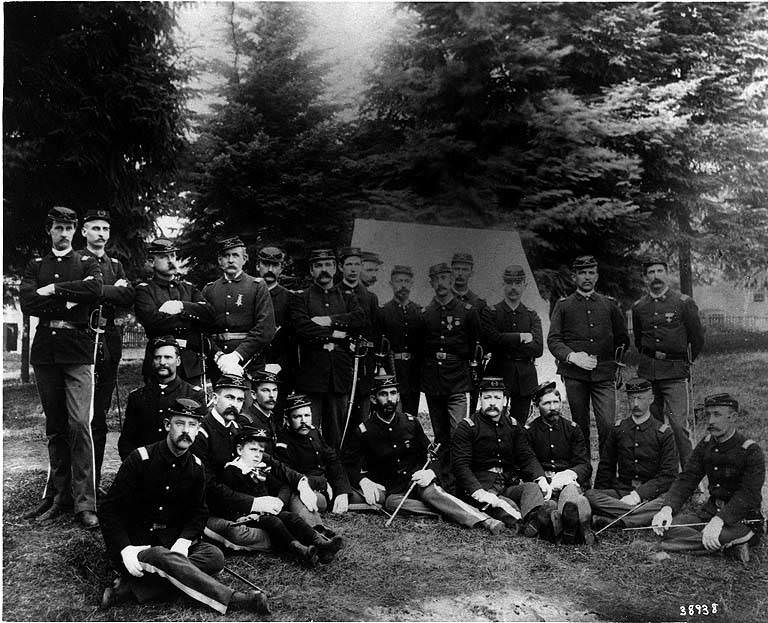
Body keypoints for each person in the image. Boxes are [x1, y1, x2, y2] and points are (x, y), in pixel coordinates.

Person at [98, 398, 269, 614]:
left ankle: (130, 590)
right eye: (180, 424)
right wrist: (125, 548)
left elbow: (199, 513)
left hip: (171, 542)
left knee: (214, 556)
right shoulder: (140, 459)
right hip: (137, 546)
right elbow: (109, 510)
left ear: (198, 429)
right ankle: (235, 599)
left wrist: (184, 540)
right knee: (161, 555)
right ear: (168, 425)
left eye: (192, 425)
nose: (186, 431)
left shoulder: (196, 467)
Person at [20, 206, 103, 528]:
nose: (64, 233)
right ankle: (57, 495)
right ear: (50, 230)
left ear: (75, 230)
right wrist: (71, 298)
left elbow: (94, 291)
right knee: (55, 427)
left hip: (77, 350)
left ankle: (85, 503)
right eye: (58, 228)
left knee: (80, 424)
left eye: (69, 228)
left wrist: (54, 290)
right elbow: (28, 303)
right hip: (46, 352)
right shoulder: (36, 264)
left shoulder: (86, 262)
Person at [344, 375, 505, 535]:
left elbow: (433, 455)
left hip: (418, 480)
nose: (389, 399)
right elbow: (348, 463)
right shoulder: (365, 430)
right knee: (392, 503)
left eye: (393, 393)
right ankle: (449, 511)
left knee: (430, 493)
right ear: (373, 399)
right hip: (393, 490)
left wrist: (430, 472)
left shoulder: (410, 422)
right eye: (383, 394)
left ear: (398, 396)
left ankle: (486, 521)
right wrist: (363, 481)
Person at [192, 374, 317, 553]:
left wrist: (300, 481)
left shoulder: (235, 427)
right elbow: (208, 485)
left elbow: (265, 458)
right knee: (239, 533)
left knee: (285, 491)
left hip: (239, 503)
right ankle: (297, 538)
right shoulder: (201, 433)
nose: (234, 404)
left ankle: (307, 536)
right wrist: (254, 503)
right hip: (213, 507)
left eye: (240, 399)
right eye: (229, 397)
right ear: (214, 398)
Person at [649, 393, 764, 559]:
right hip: (708, 513)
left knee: (717, 535)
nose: (710, 421)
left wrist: (720, 520)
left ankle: (735, 538)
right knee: (668, 527)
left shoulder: (750, 451)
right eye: (708, 414)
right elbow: (688, 478)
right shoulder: (706, 444)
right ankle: (729, 545)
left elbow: (748, 495)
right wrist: (667, 508)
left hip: (741, 518)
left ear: (733, 417)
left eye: (717, 415)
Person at [220, 427, 343, 567]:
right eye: (253, 450)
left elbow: (281, 485)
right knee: (275, 522)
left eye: (261, 451)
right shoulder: (232, 470)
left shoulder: (260, 469)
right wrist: (239, 516)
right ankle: (299, 550)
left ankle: (321, 543)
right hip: (248, 516)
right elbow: (228, 499)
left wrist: (279, 500)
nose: (257, 455)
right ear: (240, 450)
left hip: (266, 512)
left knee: (292, 517)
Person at [547, 255, 629, 456]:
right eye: (582, 273)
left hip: (604, 375)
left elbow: (623, 339)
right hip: (575, 376)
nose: (587, 277)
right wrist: (573, 357)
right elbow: (554, 340)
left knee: (608, 426)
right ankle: (581, 475)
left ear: (597, 276)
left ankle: (606, 478)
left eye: (591, 272)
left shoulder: (609, 305)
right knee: (579, 427)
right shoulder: (563, 305)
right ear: (574, 277)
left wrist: (616, 364)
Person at [452, 377, 550, 537]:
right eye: (487, 397)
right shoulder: (468, 426)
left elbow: (526, 456)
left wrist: (541, 478)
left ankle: (536, 520)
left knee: (532, 488)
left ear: (505, 400)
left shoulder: (512, 425)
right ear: (480, 400)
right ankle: (537, 522)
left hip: (506, 483)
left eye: (497, 397)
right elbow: (460, 466)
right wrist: (477, 491)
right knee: (507, 506)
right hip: (482, 488)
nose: (492, 402)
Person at [632, 257, 706, 468]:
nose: (656, 276)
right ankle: (658, 475)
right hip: (648, 374)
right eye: (651, 272)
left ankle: (691, 481)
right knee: (650, 425)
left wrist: (685, 362)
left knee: (678, 426)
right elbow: (639, 340)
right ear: (646, 278)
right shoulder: (639, 307)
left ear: (667, 274)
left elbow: (697, 338)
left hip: (674, 373)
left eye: (659, 271)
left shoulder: (683, 302)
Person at [79, 209, 134, 491]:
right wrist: (111, 290)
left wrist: (97, 290)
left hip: (109, 341)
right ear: (84, 231)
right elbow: (78, 293)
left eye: (105, 229)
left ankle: (95, 481)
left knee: (99, 414)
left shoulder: (116, 264)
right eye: (95, 228)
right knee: (82, 415)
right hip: (82, 339)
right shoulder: (77, 260)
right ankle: (78, 485)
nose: (101, 234)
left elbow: (128, 296)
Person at [289, 248, 365, 448]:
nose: (324, 270)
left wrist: (327, 320)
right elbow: (301, 327)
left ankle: (337, 472)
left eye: (328, 265)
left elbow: (358, 320)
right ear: (312, 270)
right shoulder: (301, 298)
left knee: (337, 431)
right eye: (319, 266)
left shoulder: (347, 297)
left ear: (335, 268)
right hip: (311, 375)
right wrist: (335, 334)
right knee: (307, 428)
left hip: (338, 375)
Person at [419, 262, 482, 486]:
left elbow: (476, 345)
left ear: (450, 279)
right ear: (431, 283)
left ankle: (464, 481)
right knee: (440, 435)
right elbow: (421, 349)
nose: (441, 283)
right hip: (434, 381)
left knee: (460, 433)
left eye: (445, 278)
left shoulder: (467, 311)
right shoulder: (425, 314)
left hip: (459, 380)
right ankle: (446, 482)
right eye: (436, 279)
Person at [586, 378, 679, 530]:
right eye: (631, 398)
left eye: (640, 398)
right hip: (622, 491)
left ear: (651, 399)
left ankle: (618, 520)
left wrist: (638, 495)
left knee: (665, 502)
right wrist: (600, 494)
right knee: (590, 496)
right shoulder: (618, 428)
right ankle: (639, 517)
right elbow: (606, 466)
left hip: (651, 495)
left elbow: (668, 475)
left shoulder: (664, 432)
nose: (635, 404)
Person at [274, 392, 349, 560]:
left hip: (321, 495)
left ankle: (319, 540)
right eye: (297, 416)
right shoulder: (283, 443)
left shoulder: (314, 433)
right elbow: (289, 476)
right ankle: (321, 539)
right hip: (304, 492)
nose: (303, 421)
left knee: (301, 498)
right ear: (287, 419)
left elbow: (333, 460)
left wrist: (342, 491)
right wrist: (321, 482)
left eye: (307, 415)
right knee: (298, 495)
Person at [134, 238, 213, 386]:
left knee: (193, 405)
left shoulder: (188, 288)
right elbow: (153, 322)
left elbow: (209, 313)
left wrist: (181, 306)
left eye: (173, 256)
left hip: (190, 364)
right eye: (164, 257)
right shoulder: (144, 290)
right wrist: (191, 317)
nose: (171, 261)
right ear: (151, 262)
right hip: (159, 362)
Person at [525, 381, 594, 545]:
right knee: (546, 503)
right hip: (544, 484)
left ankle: (561, 525)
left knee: (570, 497)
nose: (553, 407)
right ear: (536, 406)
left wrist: (568, 475)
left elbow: (584, 464)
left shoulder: (572, 429)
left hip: (566, 482)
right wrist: (540, 478)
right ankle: (571, 528)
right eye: (546, 403)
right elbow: (527, 460)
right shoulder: (529, 431)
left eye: (556, 402)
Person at [202, 236, 276, 380]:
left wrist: (237, 355)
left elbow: (265, 329)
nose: (230, 260)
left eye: (235, 255)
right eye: (226, 256)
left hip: (249, 363)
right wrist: (219, 357)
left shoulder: (256, 286)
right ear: (219, 260)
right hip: (218, 365)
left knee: (247, 401)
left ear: (245, 258)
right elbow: (203, 331)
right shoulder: (209, 290)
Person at [118, 336, 204, 460]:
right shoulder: (138, 397)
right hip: (147, 466)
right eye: (158, 357)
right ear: (152, 361)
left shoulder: (194, 395)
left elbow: (199, 441)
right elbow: (127, 441)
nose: (162, 362)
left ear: (178, 361)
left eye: (168, 357)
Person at [482, 264, 543, 423]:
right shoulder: (492, 312)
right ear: (503, 284)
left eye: (518, 283)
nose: (513, 287)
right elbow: (491, 341)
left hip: (525, 377)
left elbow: (537, 349)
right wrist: (521, 337)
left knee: (520, 425)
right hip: (498, 372)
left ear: (525, 285)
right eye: (509, 283)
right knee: (493, 421)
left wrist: (504, 341)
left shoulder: (531, 315)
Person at [338, 246, 379, 425]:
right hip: (342, 359)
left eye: (357, 264)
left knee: (363, 415)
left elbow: (376, 332)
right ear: (341, 267)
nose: (353, 269)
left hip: (364, 363)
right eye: (349, 264)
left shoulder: (370, 298)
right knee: (341, 414)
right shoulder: (334, 293)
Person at [376, 264, 423, 417]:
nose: (403, 285)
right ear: (391, 284)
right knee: (392, 410)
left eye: (406, 281)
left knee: (411, 412)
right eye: (398, 281)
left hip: (413, 370)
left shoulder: (418, 311)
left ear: (412, 284)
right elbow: (379, 344)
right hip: (392, 368)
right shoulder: (383, 312)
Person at [255, 245, 295, 408]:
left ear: (281, 268)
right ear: (258, 266)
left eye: (275, 265)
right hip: (251, 366)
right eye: (266, 264)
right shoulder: (249, 292)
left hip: (278, 368)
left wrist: (280, 364)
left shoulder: (290, 299)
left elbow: (294, 338)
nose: (270, 269)